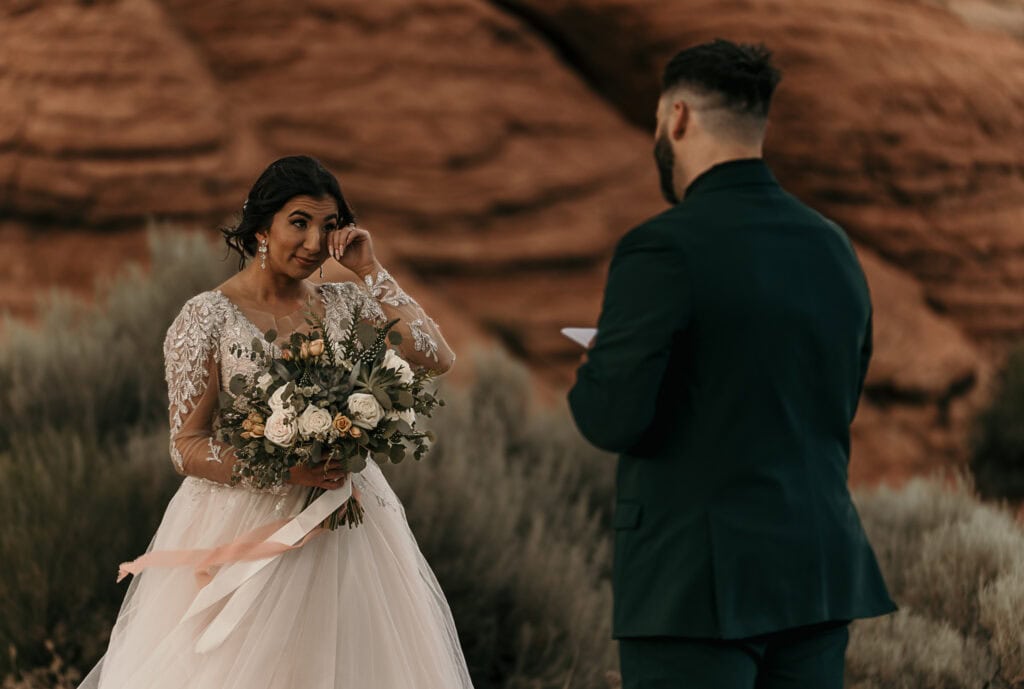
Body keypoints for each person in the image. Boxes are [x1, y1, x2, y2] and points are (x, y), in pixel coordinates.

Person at [568, 40, 897, 688]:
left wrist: (607, 354)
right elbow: (834, 397)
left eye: (659, 122)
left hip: (696, 586)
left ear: (680, 118)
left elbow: (610, 418)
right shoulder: (834, 248)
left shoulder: (659, 247)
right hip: (816, 575)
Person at [77, 155, 474, 689]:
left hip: (345, 529)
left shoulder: (343, 303)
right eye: (300, 222)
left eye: (329, 227)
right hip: (242, 528)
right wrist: (283, 470)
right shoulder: (206, 317)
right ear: (261, 227)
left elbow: (437, 355)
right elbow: (186, 446)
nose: (314, 242)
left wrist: (369, 271)